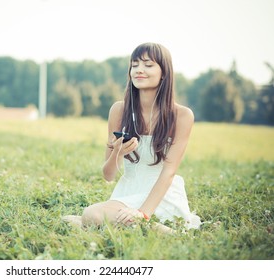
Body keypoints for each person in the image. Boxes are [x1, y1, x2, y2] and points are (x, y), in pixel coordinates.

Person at [63, 42, 201, 232]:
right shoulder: (119, 110)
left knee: (90, 216)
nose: (139, 70)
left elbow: (168, 172)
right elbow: (108, 175)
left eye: (148, 65)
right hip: (127, 193)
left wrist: (143, 212)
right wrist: (117, 153)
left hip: (162, 195)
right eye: (134, 65)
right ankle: (154, 230)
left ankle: (151, 226)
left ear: (164, 73)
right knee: (91, 215)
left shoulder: (182, 116)